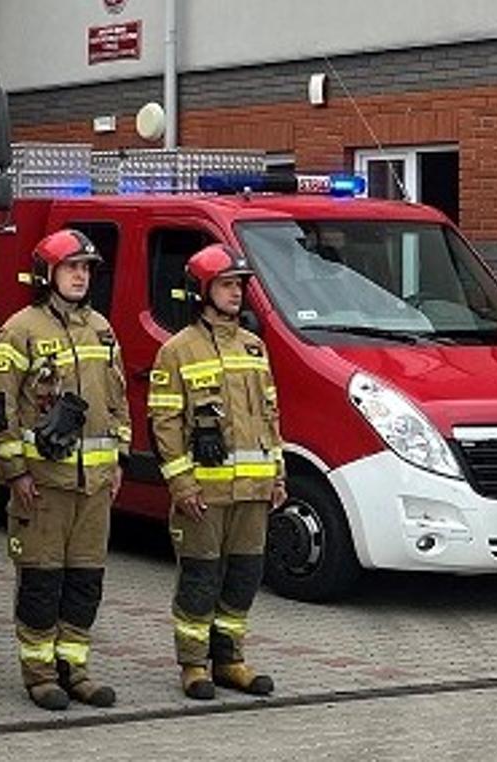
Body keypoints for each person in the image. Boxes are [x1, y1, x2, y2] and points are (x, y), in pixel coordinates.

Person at [0, 230, 132, 711]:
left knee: (85, 582)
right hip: (43, 487)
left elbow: (118, 401)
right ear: (47, 274)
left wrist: (120, 458)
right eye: (71, 268)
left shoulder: (102, 330)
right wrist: (16, 473)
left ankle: (77, 670)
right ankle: (41, 674)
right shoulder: (19, 331)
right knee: (42, 583)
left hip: (93, 486)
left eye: (86, 269)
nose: (80, 276)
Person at [148, 243, 286, 700]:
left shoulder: (253, 346)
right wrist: (181, 484)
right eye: (227, 285)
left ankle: (230, 659)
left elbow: (270, 416)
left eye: (240, 285)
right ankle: (192, 665)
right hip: (203, 494)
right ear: (201, 290)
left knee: (244, 575)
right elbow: (164, 425)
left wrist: (277, 475)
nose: (236, 294)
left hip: (253, 490)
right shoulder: (176, 351)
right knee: (200, 578)